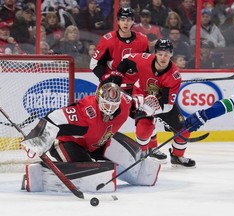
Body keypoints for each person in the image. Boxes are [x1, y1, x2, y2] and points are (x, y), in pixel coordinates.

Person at [22, 82, 161, 191]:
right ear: (98, 98)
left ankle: (141, 175)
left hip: (99, 141)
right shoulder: (85, 111)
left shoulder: (125, 101)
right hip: (68, 142)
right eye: (106, 104)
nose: (109, 110)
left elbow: (138, 101)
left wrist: (147, 106)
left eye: (113, 106)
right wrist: (36, 140)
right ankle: (39, 178)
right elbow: (53, 118)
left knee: (131, 158)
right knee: (90, 174)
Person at [114, 39, 195, 167]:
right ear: (155, 53)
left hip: (161, 102)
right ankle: (140, 157)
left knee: (183, 130)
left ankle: (177, 157)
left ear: (171, 54)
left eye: (167, 54)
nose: (163, 58)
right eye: (160, 54)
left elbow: (167, 105)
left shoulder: (174, 76)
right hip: (142, 96)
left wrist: (151, 110)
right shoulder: (144, 60)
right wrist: (118, 75)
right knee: (144, 128)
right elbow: (126, 59)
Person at [90, 7, 149, 94]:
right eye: (122, 19)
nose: (125, 23)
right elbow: (94, 64)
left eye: (129, 20)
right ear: (118, 21)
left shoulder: (142, 39)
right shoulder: (108, 40)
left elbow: (147, 64)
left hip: (135, 88)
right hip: (112, 88)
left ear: (133, 21)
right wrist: (106, 78)